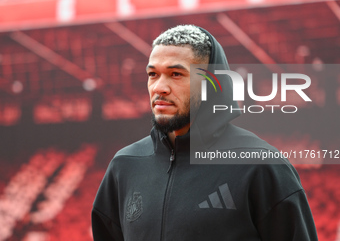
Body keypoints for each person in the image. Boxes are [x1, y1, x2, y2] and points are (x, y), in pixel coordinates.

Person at [91, 25, 318, 240]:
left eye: (176, 74)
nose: (159, 87)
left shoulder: (261, 166)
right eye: (153, 74)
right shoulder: (124, 166)